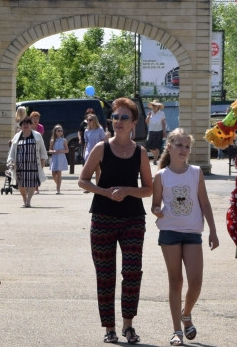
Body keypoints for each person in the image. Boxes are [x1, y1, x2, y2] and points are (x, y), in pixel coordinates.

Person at [78, 97, 153, 345]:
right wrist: (106, 191)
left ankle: (128, 325)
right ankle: (109, 327)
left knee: (132, 271)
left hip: (133, 218)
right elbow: (83, 180)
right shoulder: (102, 148)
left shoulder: (140, 152)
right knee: (105, 273)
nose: (118, 121)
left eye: (124, 118)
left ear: (133, 123)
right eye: (115, 117)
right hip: (102, 217)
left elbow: (148, 189)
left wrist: (128, 190)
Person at [151, 128, 219, 346]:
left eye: (187, 146)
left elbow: (204, 202)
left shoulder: (196, 172)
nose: (183, 150)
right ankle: (176, 331)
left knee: (196, 282)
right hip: (169, 231)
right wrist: (156, 211)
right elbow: (155, 204)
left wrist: (214, 231)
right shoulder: (161, 176)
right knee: (176, 281)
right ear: (169, 147)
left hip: (192, 232)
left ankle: (186, 313)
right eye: (179, 145)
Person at [8, 117, 47, 208]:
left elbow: (42, 149)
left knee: (32, 183)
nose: (26, 126)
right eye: (24, 124)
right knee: (21, 183)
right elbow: (12, 151)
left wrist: (42, 161)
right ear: (21, 126)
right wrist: (11, 162)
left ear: (31, 125)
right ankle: (24, 198)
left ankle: (29, 200)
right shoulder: (17, 136)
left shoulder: (37, 135)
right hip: (20, 164)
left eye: (28, 124)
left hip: (33, 163)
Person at [83, 114, 108, 191]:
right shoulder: (86, 131)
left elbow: (104, 140)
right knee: (88, 170)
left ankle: (97, 187)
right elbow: (86, 143)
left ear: (94, 120)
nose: (88, 122)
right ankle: (87, 187)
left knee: (98, 170)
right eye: (88, 120)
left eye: (90, 120)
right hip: (89, 151)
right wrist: (84, 153)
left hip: (98, 151)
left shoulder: (100, 129)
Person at [48, 125, 69, 194]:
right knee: (53, 174)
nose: (60, 132)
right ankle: (58, 183)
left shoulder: (64, 140)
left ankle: (58, 189)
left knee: (59, 173)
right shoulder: (52, 140)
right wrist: (53, 151)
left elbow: (67, 150)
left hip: (61, 157)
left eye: (61, 131)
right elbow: (50, 150)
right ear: (55, 132)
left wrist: (61, 151)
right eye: (58, 131)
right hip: (54, 158)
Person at [146, 99, 167, 165]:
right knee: (150, 146)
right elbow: (146, 122)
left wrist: (164, 131)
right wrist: (148, 116)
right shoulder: (150, 113)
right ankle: (156, 157)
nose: (154, 106)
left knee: (157, 146)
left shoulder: (162, 113)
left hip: (159, 131)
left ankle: (155, 159)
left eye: (155, 105)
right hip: (151, 131)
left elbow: (163, 123)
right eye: (153, 105)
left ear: (158, 106)